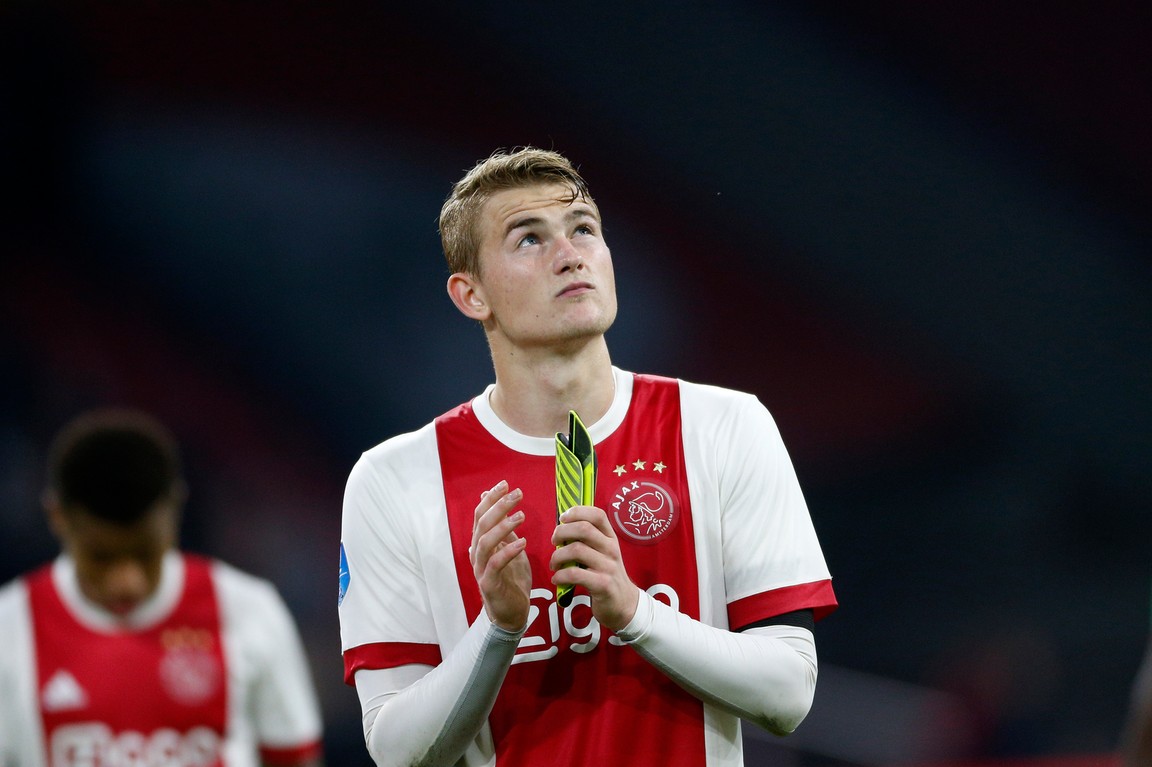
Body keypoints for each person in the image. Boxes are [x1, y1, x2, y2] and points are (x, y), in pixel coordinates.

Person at [338, 147, 838, 767]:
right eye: (529, 238)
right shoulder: (394, 480)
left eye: (583, 229)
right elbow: (395, 750)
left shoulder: (723, 426)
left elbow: (789, 694)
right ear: (471, 295)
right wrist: (498, 628)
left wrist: (633, 611)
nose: (570, 254)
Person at [0, 408, 325, 767]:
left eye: (146, 554)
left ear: (175, 509)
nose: (127, 582)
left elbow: (295, 760)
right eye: (101, 558)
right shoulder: (9, 628)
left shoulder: (250, 610)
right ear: (57, 517)